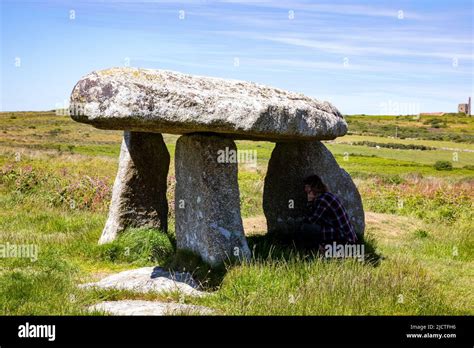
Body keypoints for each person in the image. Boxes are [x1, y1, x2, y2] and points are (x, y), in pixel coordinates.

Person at [295, 174, 357, 250]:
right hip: (346, 235)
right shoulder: (326, 195)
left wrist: (310, 202)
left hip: (343, 237)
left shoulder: (323, 200)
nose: (305, 189)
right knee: (312, 229)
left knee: (305, 228)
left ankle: (314, 249)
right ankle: (320, 247)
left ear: (312, 187)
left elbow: (312, 220)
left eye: (306, 186)